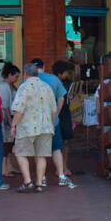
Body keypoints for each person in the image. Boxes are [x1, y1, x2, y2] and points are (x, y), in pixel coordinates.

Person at [10, 63, 56, 192]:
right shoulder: (47, 87)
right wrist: (51, 124)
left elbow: (18, 109)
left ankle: (28, 182)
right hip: (46, 127)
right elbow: (53, 110)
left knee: (20, 153)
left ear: (25, 74)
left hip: (27, 127)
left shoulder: (24, 87)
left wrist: (13, 125)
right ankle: (39, 184)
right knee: (41, 156)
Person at [31, 58, 75, 188]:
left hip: (34, 121)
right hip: (52, 121)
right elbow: (61, 98)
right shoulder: (54, 79)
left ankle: (42, 178)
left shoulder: (27, 80)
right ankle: (61, 176)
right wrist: (56, 113)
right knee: (56, 149)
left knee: (39, 151)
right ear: (43, 66)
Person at [51, 59, 82, 182]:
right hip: (58, 114)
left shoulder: (67, 83)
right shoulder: (53, 83)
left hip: (64, 114)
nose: (67, 75)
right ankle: (60, 167)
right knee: (58, 142)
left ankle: (64, 166)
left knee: (66, 141)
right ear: (59, 73)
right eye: (65, 73)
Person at [0, 63, 19, 178]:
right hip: (6, 118)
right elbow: (4, 105)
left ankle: (9, 166)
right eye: (15, 76)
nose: (16, 79)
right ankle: (4, 169)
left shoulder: (11, 86)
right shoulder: (4, 87)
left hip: (11, 117)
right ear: (9, 75)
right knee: (5, 144)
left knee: (10, 144)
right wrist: (9, 120)